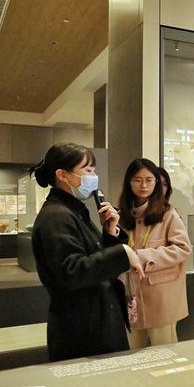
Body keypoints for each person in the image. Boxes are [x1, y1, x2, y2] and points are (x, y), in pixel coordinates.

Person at [30, 143, 144, 361]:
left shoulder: (72, 212)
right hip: (82, 328)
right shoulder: (57, 217)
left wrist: (110, 233)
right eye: (88, 170)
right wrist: (122, 252)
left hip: (94, 321)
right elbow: (72, 271)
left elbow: (93, 264)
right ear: (63, 175)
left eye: (94, 170)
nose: (94, 176)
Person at [118, 159, 192, 348]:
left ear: (156, 183)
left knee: (166, 354)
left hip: (161, 297)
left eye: (149, 180)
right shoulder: (122, 214)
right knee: (132, 354)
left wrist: (142, 256)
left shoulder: (167, 213)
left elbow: (183, 248)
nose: (143, 185)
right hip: (130, 295)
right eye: (137, 180)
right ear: (129, 182)